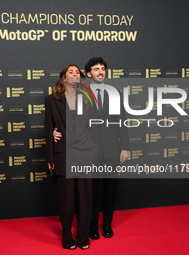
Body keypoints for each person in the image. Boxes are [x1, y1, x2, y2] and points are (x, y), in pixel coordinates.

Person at [53, 57, 130, 240]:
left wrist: (125, 147)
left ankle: (108, 225)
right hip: (89, 150)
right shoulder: (79, 93)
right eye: (96, 69)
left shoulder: (115, 93)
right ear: (88, 74)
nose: (100, 72)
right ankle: (92, 227)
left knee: (110, 191)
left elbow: (122, 122)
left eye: (103, 68)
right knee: (91, 193)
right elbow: (68, 119)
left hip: (112, 149)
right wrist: (54, 131)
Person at [45, 64, 98, 250]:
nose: (75, 74)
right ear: (64, 78)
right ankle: (67, 239)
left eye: (77, 72)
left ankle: (83, 239)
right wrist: (51, 152)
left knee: (85, 200)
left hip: (85, 154)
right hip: (64, 155)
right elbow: (48, 127)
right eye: (71, 72)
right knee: (67, 202)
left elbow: (96, 126)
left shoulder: (88, 99)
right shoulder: (52, 100)